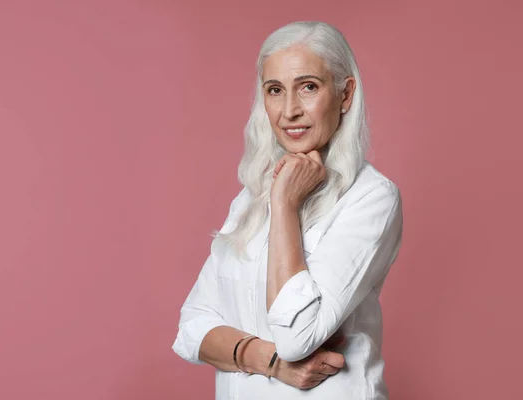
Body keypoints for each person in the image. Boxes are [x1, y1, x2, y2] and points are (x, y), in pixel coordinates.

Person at [172, 20, 403, 399]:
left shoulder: (372, 198)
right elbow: (192, 329)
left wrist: (285, 206)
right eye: (275, 90)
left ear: (345, 95)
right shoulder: (249, 199)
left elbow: (297, 337)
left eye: (308, 87)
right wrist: (270, 361)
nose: (289, 110)